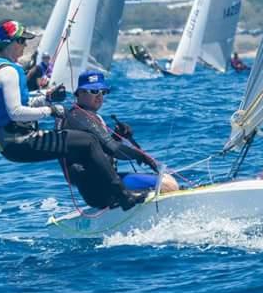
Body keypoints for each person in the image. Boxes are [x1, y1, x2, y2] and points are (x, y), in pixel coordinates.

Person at [0, 19, 145, 210]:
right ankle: (123, 197)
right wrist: (51, 110)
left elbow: (18, 104)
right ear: (11, 43)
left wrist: (47, 97)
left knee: (82, 145)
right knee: (89, 141)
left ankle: (107, 198)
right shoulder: (9, 71)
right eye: (22, 41)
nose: (25, 45)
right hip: (18, 141)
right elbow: (15, 112)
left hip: (7, 142)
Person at [61, 70, 179, 204]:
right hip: (103, 190)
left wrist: (118, 137)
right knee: (169, 184)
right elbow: (113, 149)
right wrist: (141, 156)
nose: (99, 96)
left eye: (103, 92)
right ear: (80, 93)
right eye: (94, 91)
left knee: (162, 183)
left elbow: (99, 152)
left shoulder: (81, 116)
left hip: (100, 189)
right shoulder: (81, 118)